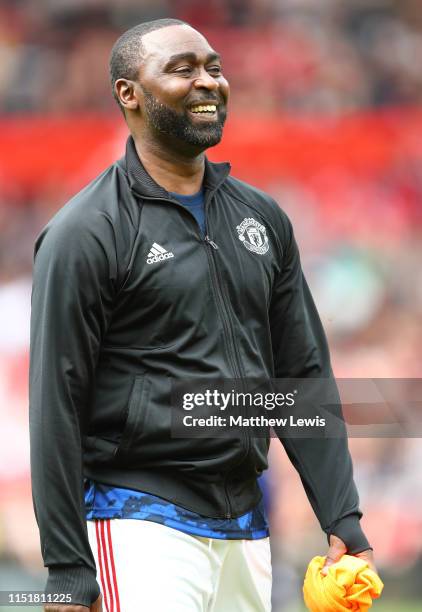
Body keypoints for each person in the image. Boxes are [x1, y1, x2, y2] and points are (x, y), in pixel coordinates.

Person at [29, 18, 376, 612]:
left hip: (246, 529)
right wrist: (66, 565)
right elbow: (55, 402)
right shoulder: (85, 232)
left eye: (214, 67)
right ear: (128, 94)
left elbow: (301, 377)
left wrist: (342, 514)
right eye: (182, 69)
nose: (208, 82)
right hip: (137, 523)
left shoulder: (263, 219)